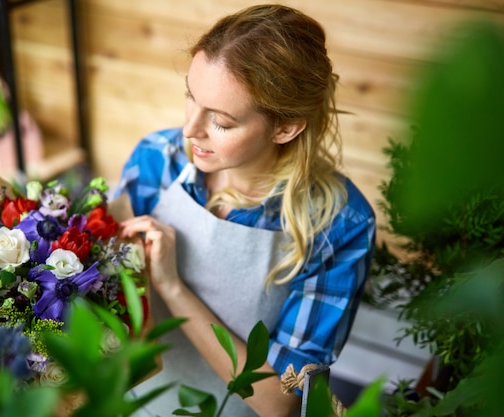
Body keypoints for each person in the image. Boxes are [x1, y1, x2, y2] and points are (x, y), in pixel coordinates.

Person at [115, 4, 376, 416]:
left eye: (220, 120)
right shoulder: (157, 160)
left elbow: (281, 400)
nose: (189, 130)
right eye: (190, 96)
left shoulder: (338, 225)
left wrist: (173, 288)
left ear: (285, 127)